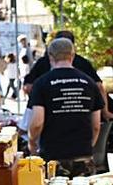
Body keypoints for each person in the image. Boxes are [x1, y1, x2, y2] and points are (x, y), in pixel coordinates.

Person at [26, 38, 103, 176]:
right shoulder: (89, 83)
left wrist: (32, 142)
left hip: (53, 155)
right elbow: (96, 125)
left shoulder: (42, 83)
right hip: (83, 154)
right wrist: (88, 146)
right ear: (72, 56)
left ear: (50, 57)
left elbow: (37, 122)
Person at [23, 30, 113, 125]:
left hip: (50, 119)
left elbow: (28, 87)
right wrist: (105, 111)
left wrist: (40, 103)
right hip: (83, 119)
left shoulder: (42, 64)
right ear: (72, 49)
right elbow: (99, 87)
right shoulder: (83, 64)